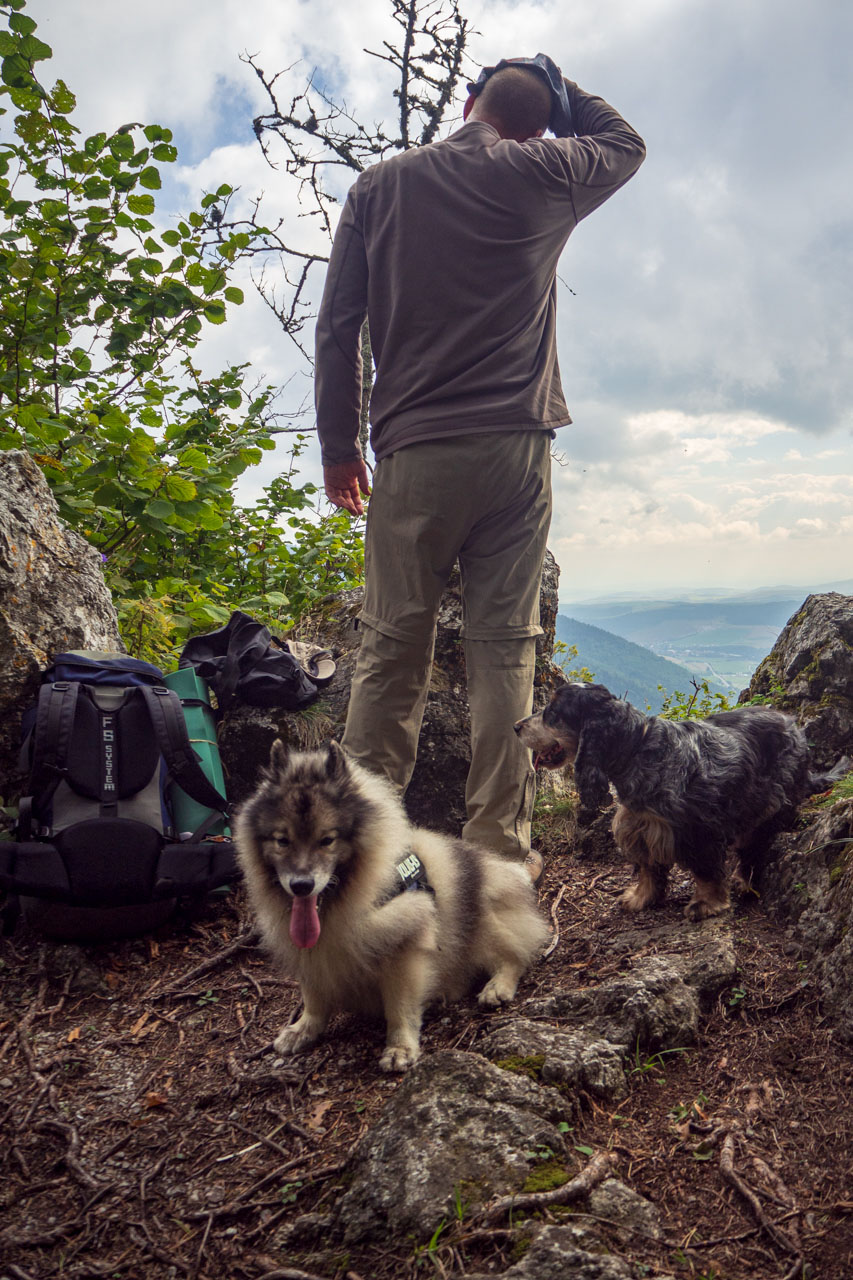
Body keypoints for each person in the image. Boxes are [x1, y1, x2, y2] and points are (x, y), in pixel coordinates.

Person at [314, 53, 645, 871]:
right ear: (540, 123)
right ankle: (497, 854)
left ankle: (361, 853)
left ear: (466, 104)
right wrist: (564, 97)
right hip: (515, 449)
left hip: (414, 450)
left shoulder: (379, 186)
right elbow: (624, 142)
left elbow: (337, 329)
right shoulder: (545, 169)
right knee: (506, 648)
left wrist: (337, 447)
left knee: (392, 645)